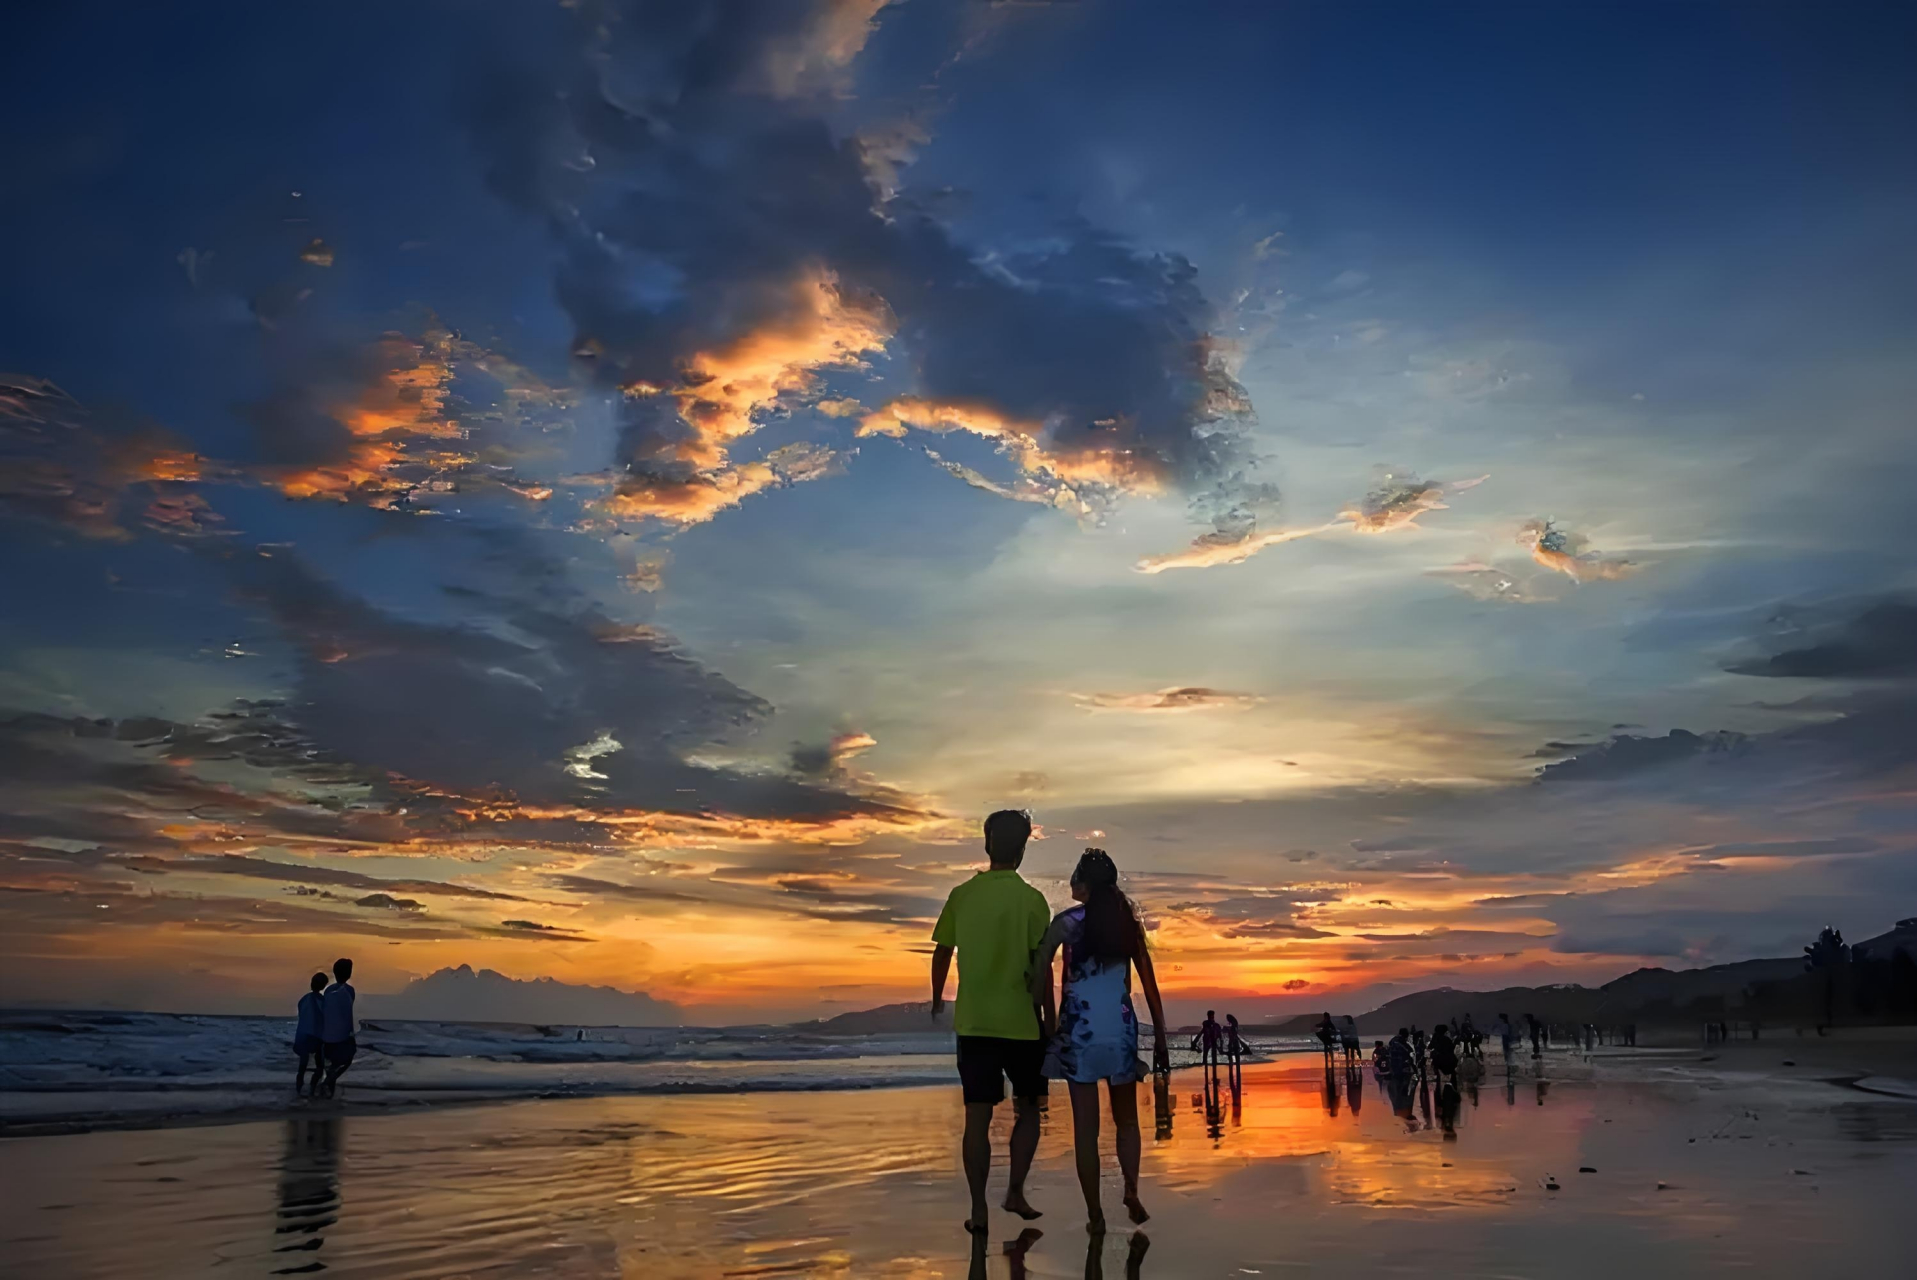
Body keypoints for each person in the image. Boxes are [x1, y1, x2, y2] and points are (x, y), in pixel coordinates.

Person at [1030, 848, 1170, 1233]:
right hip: (1122, 1032)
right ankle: (1131, 1190)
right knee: (1127, 1121)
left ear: (1084, 884)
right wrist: (1159, 1035)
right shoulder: (1126, 924)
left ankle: (1095, 1213)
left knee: (1086, 1132)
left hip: (1080, 1033)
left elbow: (1040, 969)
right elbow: (1149, 984)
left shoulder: (1066, 924)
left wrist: (1048, 1021)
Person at [932, 810, 1052, 1235]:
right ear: (1022, 850)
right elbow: (1043, 967)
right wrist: (1050, 1018)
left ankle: (979, 1208)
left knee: (977, 1118)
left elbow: (942, 951)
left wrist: (936, 1000)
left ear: (987, 844)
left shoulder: (962, 895)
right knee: (1030, 1111)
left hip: (976, 1022)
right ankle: (1015, 1190)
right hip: (1022, 1022)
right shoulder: (1034, 901)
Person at [317, 958, 356, 1098]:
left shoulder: (328, 990)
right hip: (343, 1035)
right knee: (347, 1059)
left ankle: (328, 1093)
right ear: (349, 973)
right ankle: (328, 1083)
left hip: (327, 1035)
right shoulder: (350, 990)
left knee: (331, 1065)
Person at [293, 972, 327, 1096]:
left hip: (302, 1035)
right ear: (323, 986)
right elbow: (324, 1017)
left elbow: (301, 1014)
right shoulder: (322, 1001)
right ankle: (313, 1088)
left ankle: (298, 1089)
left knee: (302, 1065)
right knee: (320, 1064)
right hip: (315, 1036)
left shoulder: (304, 999)